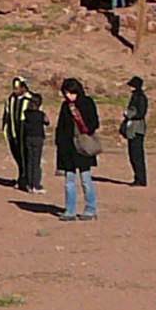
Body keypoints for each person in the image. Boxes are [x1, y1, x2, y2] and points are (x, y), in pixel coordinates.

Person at [56, 77, 100, 220]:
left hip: (82, 146)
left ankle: (90, 208)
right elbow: (60, 127)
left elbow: (94, 123)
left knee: (86, 179)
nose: (68, 96)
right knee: (69, 180)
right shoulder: (65, 106)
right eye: (66, 93)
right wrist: (60, 145)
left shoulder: (87, 103)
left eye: (70, 92)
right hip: (68, 148)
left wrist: (83, 130)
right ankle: (70, 210)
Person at [2, 77, 35, 190]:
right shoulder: (10, 99)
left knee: (27, 157)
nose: (15, 90)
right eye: (14, 88)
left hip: (26, 134)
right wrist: (5, 129)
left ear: (24, 87)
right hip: (13, 133)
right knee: (17, 156)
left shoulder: (31, 99)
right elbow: (6, 114)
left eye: (17, 88)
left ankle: (28, 180)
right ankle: (21, 177)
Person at [120, 76, 150, 187]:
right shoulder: (137, 96)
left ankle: (140, 179)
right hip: (134, 128)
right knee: (133, 154)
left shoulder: (140, 97)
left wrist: (129, 114)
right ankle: (138, 177)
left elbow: (141, 113)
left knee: (137, 154)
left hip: (137, 129)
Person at [19, 87, 46, 195]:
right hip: (38, 138)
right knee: (36, 162)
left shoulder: (26, 113)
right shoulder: (40, 115)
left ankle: (29, 184)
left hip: (28, 138)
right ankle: (36, 185)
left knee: (29, 161)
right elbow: (47, 121)